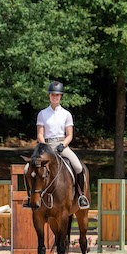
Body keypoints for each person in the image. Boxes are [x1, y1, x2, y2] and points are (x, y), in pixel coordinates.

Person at [33, 81, 89, 209]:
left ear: (61, 96)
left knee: (78, 166)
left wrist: (62, 145)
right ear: (49, 96)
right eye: (52, 95)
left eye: (57, 95)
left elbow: (69, 135)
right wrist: (44, 146)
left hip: (61, 145)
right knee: (27, 169)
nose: (55, 97)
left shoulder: (66, 114)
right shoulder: (42, 114)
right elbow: (40, 134)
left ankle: (80, 196)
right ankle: (30, 197)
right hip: (46, 146)